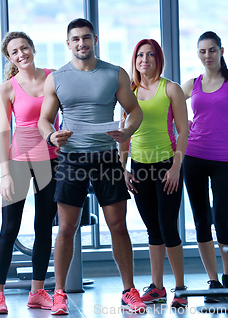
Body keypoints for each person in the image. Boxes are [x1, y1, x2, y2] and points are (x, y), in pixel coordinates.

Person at [38, 18, 146, 315]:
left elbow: (134, 110)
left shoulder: (115, 74)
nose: (81, 43)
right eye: (76, 39)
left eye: (86, 37)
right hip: (72, 158)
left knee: (118, 226)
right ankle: (59, 293)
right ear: (68, 43)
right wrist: (51, 135)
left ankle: (129, 291)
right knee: (67, 228)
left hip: (106, 156)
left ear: (95, 39)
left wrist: (127, 132)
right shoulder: (57, 78)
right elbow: (44, 119)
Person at [182, 31, 228, 302]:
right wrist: (184, 126)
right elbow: (169, 104)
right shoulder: (193, 83)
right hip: (194, 158)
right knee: (201, 221)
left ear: (221, 51)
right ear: (198, 54)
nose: (207, 56)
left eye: (212, 50)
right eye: (202, 51)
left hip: (225, 160)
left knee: (222, 221)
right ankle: (212, 282)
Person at [0, 31, 59, 314]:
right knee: (10, 228)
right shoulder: (7, 88)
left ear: (33, 48)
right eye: (14, 52)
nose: (21, 54)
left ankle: (37, 292)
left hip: (52, 160)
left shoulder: (53, 76)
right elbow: (2, 132)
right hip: (19, 160)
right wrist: (4, 174)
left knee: (43, 227)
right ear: (9, 58)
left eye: (24, 48)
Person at [119, 39, 188, 308]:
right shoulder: (129, 93)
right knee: (152, 230)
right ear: (134, 61)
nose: (144, 59)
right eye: (140, 55)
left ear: (158, 59)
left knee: (168, 227)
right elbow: (123, 135)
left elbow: (183, 131)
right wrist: (122, 168)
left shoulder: (171, 89)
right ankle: (157, 287)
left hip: (167, 165)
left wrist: (175, 167)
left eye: (150, 55)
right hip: (138, 167)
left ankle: (180, 288)